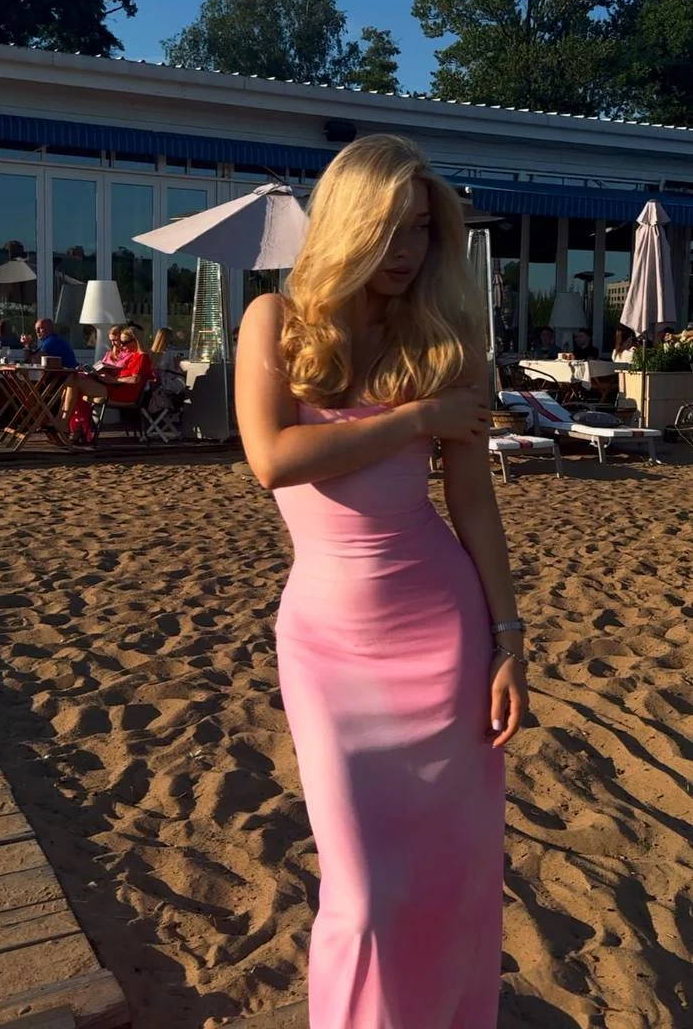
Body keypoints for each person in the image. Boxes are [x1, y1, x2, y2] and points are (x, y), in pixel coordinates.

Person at [235, 134, 527, 1029]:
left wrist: (509, 641)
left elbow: (473, 505)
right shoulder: (274, 321)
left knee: (451, 879)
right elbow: (273, 460)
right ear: (347, 223)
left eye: (422, 230)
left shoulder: (444, 343)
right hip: (326, 648)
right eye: (390, 228)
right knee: (361, 895)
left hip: (441, 633)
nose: (406, 250)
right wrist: (417, 418)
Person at [62, 327, 152, 424]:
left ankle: (65, 421)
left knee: (75, 380)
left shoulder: (141, 356)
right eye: (121, 342)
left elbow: (135, 379)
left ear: (135, 341)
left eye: (124, 342)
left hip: (122, 393)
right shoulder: (133, 356)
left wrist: (113, 380)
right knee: (73, 378)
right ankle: (66, 422)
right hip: (113, 388)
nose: (122, 346)